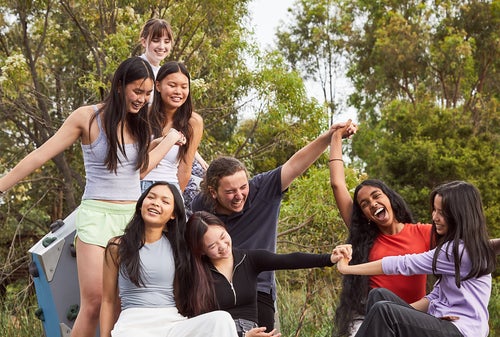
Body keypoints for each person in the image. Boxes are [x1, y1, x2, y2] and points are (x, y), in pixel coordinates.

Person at [0, 57, 186, 337]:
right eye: (137, 91)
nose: (142, 99)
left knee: (124, 305)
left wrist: (166, 141)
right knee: (95, 301)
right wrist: (2, 186)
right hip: (96, 216)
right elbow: (41, 154)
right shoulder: (87, 117)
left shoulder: (141, 122)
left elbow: (139, 168)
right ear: (119, 85)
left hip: (130, 221)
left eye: (148, 94)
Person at [190, 121, 356, 331]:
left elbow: (296, 164)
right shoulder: (201, 206)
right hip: (215, 289)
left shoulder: (262, 189)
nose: (239, 195)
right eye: (230, 191)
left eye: (243, 187)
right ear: (213, 192)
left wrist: (329, 136)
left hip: (258, 288)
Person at [337, 180, 496, 337]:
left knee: (384, 311)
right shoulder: (463, 248)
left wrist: (347, 268)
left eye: (441, 212)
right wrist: (407, 315)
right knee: (378, 296)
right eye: (434, 210)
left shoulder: (455, 251)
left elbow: (402, 264)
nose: (434, 217)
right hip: (446, 323)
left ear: (460, 214)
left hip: (463, 331)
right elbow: (434, 298)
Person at [329, 120, 434, 336]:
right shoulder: (366, 236)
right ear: (365, 215)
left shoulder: (424, 232)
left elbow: (460, 251)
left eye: (376, 196)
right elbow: (337, 184)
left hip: (410, 319)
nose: (372, 204)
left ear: (390, 199)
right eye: (365, 204)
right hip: (371, 318)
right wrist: (337, 137)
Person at [176, 211, 352, 337]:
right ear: (201, 251)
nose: (223, 246)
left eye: (223, 236)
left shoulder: (249, 259)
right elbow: (201, 323)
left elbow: (290, 260)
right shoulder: (196, 274)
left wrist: (329, 258)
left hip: (255, 332)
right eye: (213, 246)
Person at [100, 182, 238, 337]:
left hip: (171, 323)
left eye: (165, 201)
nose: (156, 203)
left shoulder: (178, 248)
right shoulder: (117, 246)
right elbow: (108, 300)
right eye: (151, 197)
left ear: (173, 214)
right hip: (133, 325)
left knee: (221, 319)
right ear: (141, 205)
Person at [140, 61, 203, 196]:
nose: (178, 92)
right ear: (158, 86)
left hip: (169, 189)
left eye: (184, 87)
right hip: (137, 186)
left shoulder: (193, 122)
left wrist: (174, 199)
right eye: (172, 85)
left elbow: (185, 166)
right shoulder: (142, 115)